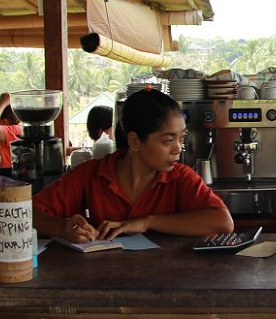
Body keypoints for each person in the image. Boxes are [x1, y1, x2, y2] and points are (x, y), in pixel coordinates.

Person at [32, 88, 234, 242]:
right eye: (167, 140)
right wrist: (63, 227)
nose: (178, 149)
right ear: (135, 141)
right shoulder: (91, 174)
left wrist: (148, 222)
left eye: (181, 139)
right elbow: (27, 214)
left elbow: (223, 222)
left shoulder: (180, 178)